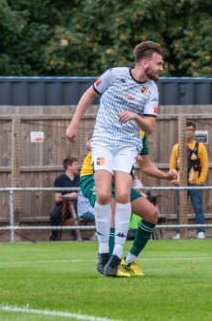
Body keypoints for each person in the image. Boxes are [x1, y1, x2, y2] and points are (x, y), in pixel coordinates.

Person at [65, 40, 163, 278]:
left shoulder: (151, 90)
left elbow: (149, 127)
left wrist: (135, 117)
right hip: (103, 141)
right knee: (102, 195)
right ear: (144, 62)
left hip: (128, 146)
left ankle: (117, 255)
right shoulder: (114, 75)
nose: (161, 68)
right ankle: (103, 252)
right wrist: (74, 123)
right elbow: (89, 94)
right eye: (158, 63)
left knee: (121, 195)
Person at [78, 135, 178, 277]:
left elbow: (146, 165)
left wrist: (166, 176)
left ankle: (129, 261)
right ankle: (109, 265)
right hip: (92, 176)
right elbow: (90, 145)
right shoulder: (118, 121)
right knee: (111, 209)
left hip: (118, 180)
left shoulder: (142, 132)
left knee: (152, 213)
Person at [170, 120, 209, 239]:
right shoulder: (177, 147)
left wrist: (200, 181)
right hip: (180, 182)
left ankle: (200, 231)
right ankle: (179, 232)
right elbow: (172, 165)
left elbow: (205, 165)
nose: (189, 132)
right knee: (180, 207)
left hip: (194, 183)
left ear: (194, 132)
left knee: (198, 206)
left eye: (191, 130)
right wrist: (174, 179)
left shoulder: (200, 147)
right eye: (186, 130)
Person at [49, 157, 81, 241]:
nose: (78, 167)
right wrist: (69, 195)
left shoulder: (79, 178)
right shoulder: (60, 180)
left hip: (78, 205)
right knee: (54, 215)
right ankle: (54, 236)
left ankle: (76, 234)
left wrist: (77, 194)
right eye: (75, 165)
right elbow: (57, 198)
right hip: (64, 206)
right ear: (69, 166)